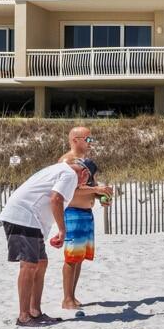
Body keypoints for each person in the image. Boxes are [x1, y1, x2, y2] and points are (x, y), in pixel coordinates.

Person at [0, 153, 82, 327]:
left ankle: (35, 312)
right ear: (85, 173)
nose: (82, 184)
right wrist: (62, 230)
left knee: (41, 262)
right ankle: (24, 316)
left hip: (30, 219)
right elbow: (55, 198)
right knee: (28, 265)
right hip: (22, 217)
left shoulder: (59, 170)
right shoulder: (71, 174)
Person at [59, 125, 114, 311]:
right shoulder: (66, 162)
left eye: (92, 139)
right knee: (71, 257)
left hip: (86, 213)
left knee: (79, 257)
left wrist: (101, 197)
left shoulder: (87, 162)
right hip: (73, 212)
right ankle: (67, 299)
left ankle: (72, 296)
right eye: (88, 139)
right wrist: (96, 190)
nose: (91, 143)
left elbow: (91, 186)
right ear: (75, 140)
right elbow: (69, 189)